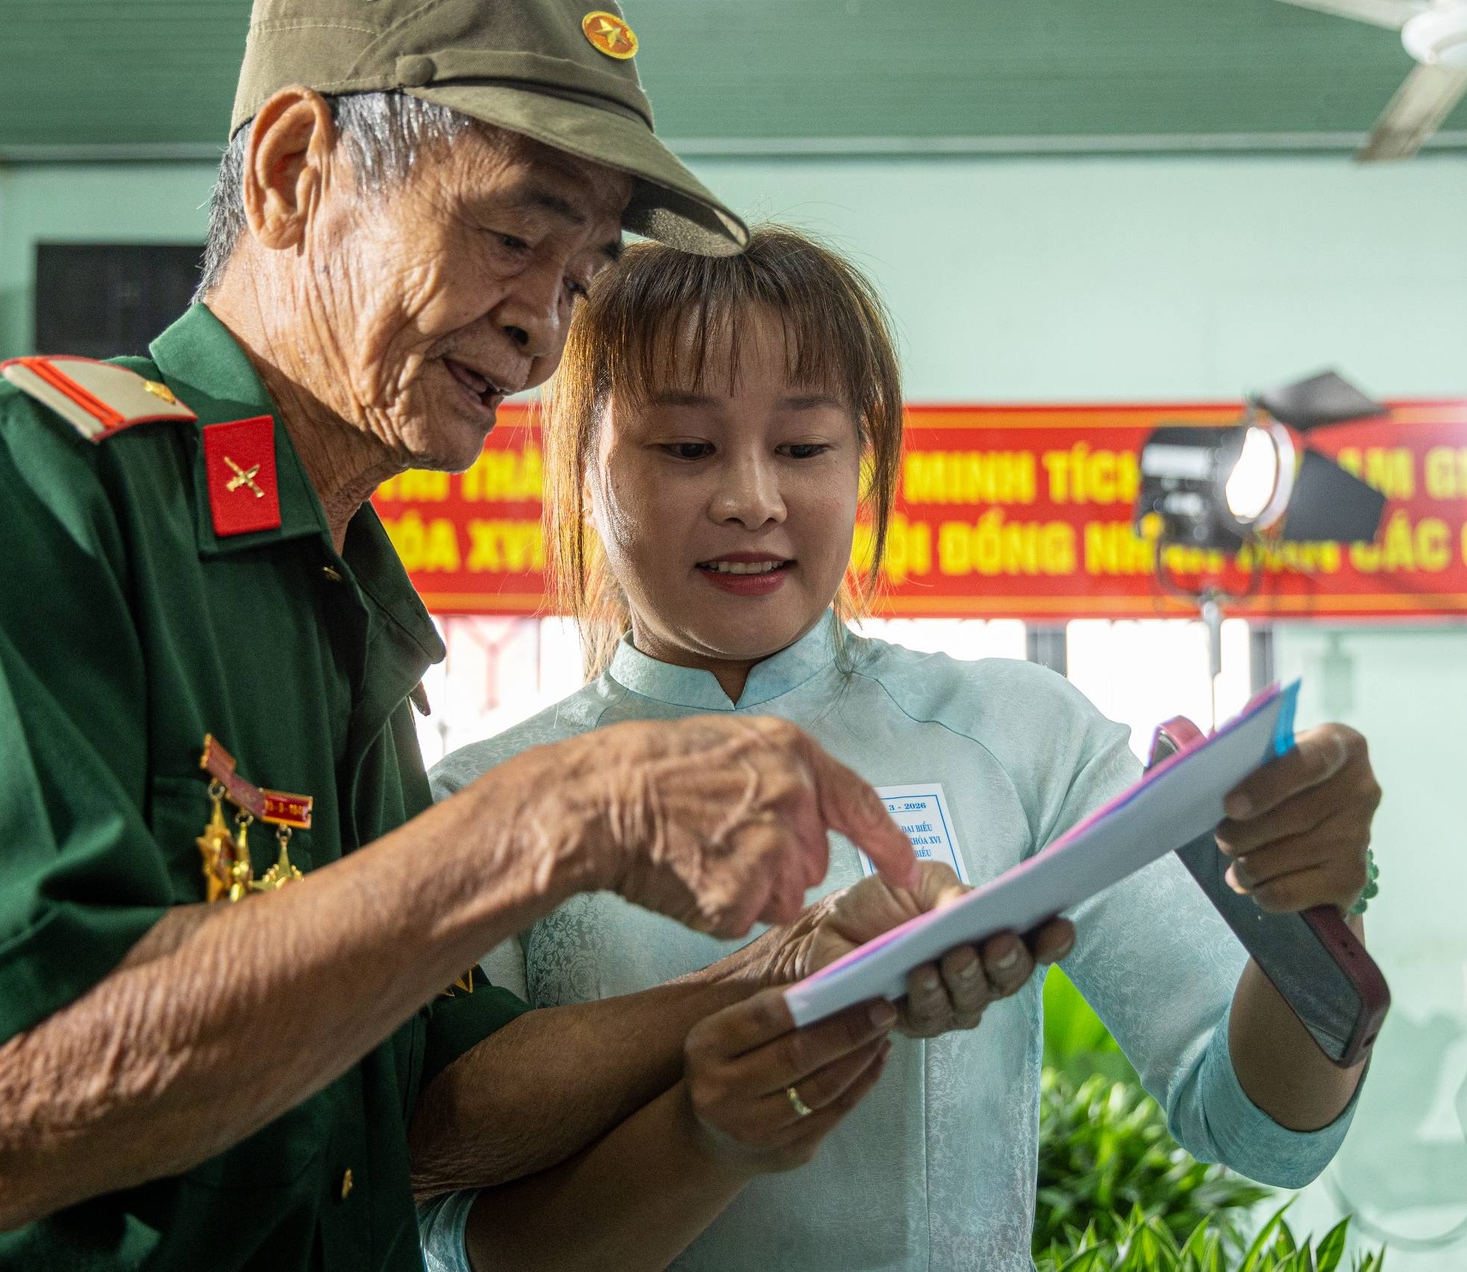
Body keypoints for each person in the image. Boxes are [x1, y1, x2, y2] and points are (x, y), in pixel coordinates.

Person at [0, 0, 976, 1268]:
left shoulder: (344, 601)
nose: (542, 331)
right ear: (292, 171)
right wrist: (545, 823)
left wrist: (772, 975)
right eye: (512, 235)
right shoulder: (27, 495)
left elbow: (414, 1109)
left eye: (578, 277)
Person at [419, 227, 1385, 1271]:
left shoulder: (1023, 735)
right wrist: (729, 1074)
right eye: (686, 447)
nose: (752, 496)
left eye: (803, 447)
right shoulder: (479, 798)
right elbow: (450, 1222)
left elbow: (1260, 1127)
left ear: (862, 456)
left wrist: (1309, 908)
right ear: (583, 460)